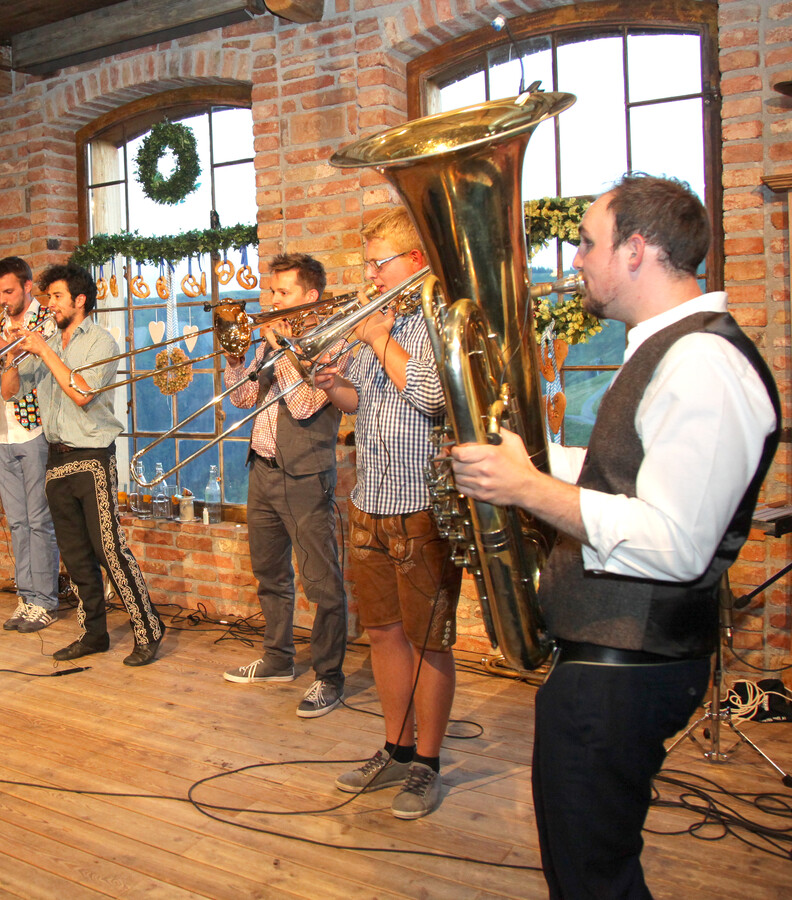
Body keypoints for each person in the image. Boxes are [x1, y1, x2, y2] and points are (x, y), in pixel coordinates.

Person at [449, 175, 778, 897]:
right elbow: (623, 478)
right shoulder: (669, 349)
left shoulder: (704, 363)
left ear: (636, 250)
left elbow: (677, 542)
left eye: (587, 243)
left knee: (593, 881)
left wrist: (526, 489)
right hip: (609, 660)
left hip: (630, 667)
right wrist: (529, 460)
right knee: (583, 872)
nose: (575, 260)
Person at [312, 210, 462, 820]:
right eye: (368, 263)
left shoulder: (435, 322)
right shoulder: (384, 321)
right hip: (370, 500)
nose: (371, 275)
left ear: (415, 262)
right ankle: (395, 749)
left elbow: (429, 395)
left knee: (428, 641)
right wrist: (330, 385)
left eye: (380, 263)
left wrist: (378, 338)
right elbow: (362, 401)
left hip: (422, 506)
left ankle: (427, 761)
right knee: (382, 632)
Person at [2, 263, 164, 666]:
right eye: (49, 297)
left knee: (110, 550)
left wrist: (43, 351)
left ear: (80, 300)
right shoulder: (48, 341)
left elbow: (83, 393)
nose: (50, 305)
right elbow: (10, 392)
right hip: (55, 458)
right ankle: (94, 634)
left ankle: (148, 630)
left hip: (92, 458)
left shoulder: (100, 341)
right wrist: (5, 355)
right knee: (75, 556)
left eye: (57, 297)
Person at [220, 253, 352, 719]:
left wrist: (285, 351)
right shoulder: (268, 342)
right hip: (262, 470)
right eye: (271, 291)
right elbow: (241, 398)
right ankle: (278, 659)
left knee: (321, 581)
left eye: (282, 292)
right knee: (270, 573)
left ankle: (329, 676)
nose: (271, 299)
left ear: (310, 296)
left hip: (304, 477)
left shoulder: (334, 342)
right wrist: (236, 358)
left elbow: (304, 406)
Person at [0, 257, 61, 633]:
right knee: (18, 522)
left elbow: (41, 364)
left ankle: (46, 601)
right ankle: (27, 597)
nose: (3, 299)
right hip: (3, 433)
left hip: (34, 431)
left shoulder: (47, 319)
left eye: (8, 291)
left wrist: (4, 344)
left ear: (26, 286)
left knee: (39, 522)